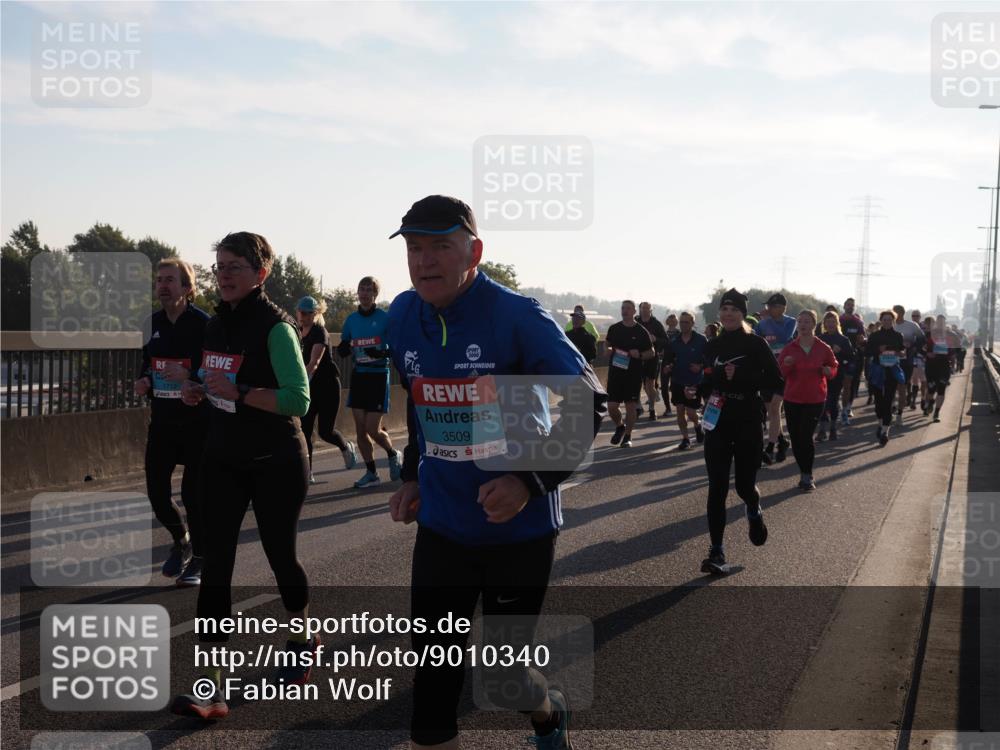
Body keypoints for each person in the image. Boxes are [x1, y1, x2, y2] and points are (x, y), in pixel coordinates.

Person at [385, 194, 607, 750]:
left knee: (505, 677)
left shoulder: (516, 316)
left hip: (518, 531)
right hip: (443, 527)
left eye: (441, 246)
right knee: (433, 685)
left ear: (474, 252)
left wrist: (528, 482)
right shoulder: (402, 316)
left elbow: (589, 405)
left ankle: (548, 713)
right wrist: (411, 475)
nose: (424, 260)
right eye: (414, 248)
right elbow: (419, 403)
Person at [171, 232, 316, 719]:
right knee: (216, 567)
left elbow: (298, 400)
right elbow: (215, 382)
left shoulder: (278, 328)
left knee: (281, 557)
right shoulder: (215, 326)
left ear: (261, 273)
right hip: (222, 458)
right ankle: (211, 689)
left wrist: (240, 392)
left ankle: (301, 635)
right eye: (219, 266)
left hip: (276, 459)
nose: (224, 275)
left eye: (235, 266)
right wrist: (197, 389)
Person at [134, 259, 209, 587]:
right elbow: (146, 364)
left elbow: (217, 370)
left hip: (198, 422)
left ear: (187, 288)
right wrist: (144, 381)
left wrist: (189, 375)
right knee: (157, 493)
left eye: (170, 280)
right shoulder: (150, 323)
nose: (162, 286)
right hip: (163, 421)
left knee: (193, 496)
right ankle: (182, 541)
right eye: (159, 280)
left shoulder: (205, 325)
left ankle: (201, 559)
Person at [699, 289, 783, 574]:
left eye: (734, 310)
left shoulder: (756, 344)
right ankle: (717, 551)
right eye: (725, 309)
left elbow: (776, 380)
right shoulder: (712, 345)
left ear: (743, 314)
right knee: (717, 486)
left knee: (744, 486)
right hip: (718, 419)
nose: (729, 314)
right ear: (719, 313)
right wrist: (697, 389)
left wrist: (744, 376)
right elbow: (707, 378)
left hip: (747, 418)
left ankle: (754, 509)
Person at [337, 277, 403, 488]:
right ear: (357, 293)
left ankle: (392, 453)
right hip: (359, 376)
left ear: (375, 294)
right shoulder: (351, 320)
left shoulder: (384, 318)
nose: (364, 293)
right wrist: (343, 348)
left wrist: (383, 353)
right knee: (360, 429)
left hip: (378, 375)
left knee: (372, 428)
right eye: (361, 289)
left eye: (368, 290)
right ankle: (371, 472)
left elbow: (397, 345)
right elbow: (344, 344)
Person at [296, 296, 357, 483]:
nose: (303, 316)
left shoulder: (319, 332)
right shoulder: (296, 332)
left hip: (327, 386)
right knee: (305, 430)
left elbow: (313, 363)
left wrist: (299, 382)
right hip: (309, 388)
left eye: (307, 313)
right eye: (300, 312)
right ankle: (308, 472)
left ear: (315, 314)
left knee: (325, 431)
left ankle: (345, 446)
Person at [779, 310, 838, 491]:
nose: (802, 325)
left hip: (815, 399)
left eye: (806, 321)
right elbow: (780, 373)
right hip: (792, 398)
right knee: (796, 438)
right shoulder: (790, 348)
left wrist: (829, 371)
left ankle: (807, 475)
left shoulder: (823, 347)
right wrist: (786, 365)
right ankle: (803, 470)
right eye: (800, 321)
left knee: (805, 436)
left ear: (814, 324)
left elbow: (833, 366)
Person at [606, 300, 656, 447]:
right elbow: (607, 343)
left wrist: (639, 354)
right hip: (615, 373)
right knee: (612, 406)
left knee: (630, 406)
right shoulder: (614, 328)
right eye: (623, 308)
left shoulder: (641, 331)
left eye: (628, 308)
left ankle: (627, 436)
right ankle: (620, 426)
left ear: (634, 311)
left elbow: (651, 352)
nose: (625, 311)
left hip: (632, 375)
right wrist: (607, 350)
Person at [754, 293, 796, 464]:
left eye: (772, 306)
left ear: (782, 308)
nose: (768, 309)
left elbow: (785, 337)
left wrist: (768, 324)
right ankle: (782, 441)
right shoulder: (762, 324)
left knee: (774, 407)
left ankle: (770, 447)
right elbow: (755, 341)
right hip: (766, 371)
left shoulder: (791, 322)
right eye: (768, 306)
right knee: (771, 412)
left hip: (783, 371)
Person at [661, 311, 707, 450]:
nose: (683, 325)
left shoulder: (701, 340)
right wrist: (668, 367)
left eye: (686, 322)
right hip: (677, 380)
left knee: (691, 412)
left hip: (694, 381)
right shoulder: (674, 341)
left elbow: (709, 359)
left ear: (692, 323)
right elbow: (668, 359)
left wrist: (700, 366)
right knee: (680, 410)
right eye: (681, 322)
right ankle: (685, 439)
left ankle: (698, 425)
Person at [866, 310, 906, 446]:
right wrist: (879, 350)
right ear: (881, 321)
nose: (887, 322)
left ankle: (885, 432)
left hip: (891, 370)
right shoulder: (875, 336)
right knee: (879, 402)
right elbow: (867, 352)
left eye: (889, 319)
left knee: (888, 400)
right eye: (885, 319)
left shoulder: (898, 336)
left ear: (893, 321)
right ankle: (880, 423)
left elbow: (902, 351)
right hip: (878, 369)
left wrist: (899, 353)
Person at [817, 311, 853, 441]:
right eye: (828, 322)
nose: (830, 324)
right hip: (821, 374)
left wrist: (841, 351)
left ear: (837, 323)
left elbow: (851, 357)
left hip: (837, 374)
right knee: (822, 401)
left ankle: (832, 429)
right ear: (824, 324)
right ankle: (822, 430)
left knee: (833, 400)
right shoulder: (819, 339)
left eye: (833, 321)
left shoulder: (843, 340)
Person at [892, 305, 925, 426]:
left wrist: (912, 345)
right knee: (891, 386)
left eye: (897, 312)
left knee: (902, 386)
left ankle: (899, 414)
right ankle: (893, 407)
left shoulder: (912, 325)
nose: (895, 315)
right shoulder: (889, 325)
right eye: (893, 312)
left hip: (907, 360)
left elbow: (922, 339)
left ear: (902, 313)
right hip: (891, 360)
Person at [636, 302, 668, 421]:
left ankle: (652, 409)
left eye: (647, 308)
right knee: (636, 383)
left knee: (650, 384)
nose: (645, 310)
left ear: (651, 310)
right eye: (643, 308)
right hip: (636, 357)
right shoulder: (635, 322)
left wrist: (655, 339)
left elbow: (666, 341)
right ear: (639, 309)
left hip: (652, 357)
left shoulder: (656, 324)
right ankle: (638, 407)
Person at [839, 298, 867, 422]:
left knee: (851, 384)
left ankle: (847, 408)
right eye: (848, 305)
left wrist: (862, 341)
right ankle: (836, 406)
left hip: (854, 357)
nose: (850, 307)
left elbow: (863, 339)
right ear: (844, 306)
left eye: (852, 305)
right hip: (838, 356)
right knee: (837, 384)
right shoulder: (838, 320)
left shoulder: (858, 322)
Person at [924, 315, 953, 422]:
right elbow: (921, 347)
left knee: (941, 390)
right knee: (931, 390)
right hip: (931, 366)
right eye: (939, 322)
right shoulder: (929, 334)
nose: (941, 324)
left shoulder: (950, 334)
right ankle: (931, 402)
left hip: (944, 366)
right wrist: (927, 353)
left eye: (943, 322)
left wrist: (951, 354)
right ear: (936, 322)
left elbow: (955, 349)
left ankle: (936, 413)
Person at [659, 313, 680, 417]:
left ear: (676, 322)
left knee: (676, 386)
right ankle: (668, 408)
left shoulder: (680, 334)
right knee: (664, 386)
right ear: (667, 322)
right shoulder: (664, 334)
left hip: (677, 362)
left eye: (674, 319)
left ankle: (678, 405)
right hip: (665, 361)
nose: (672, 321)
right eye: (670, 319)